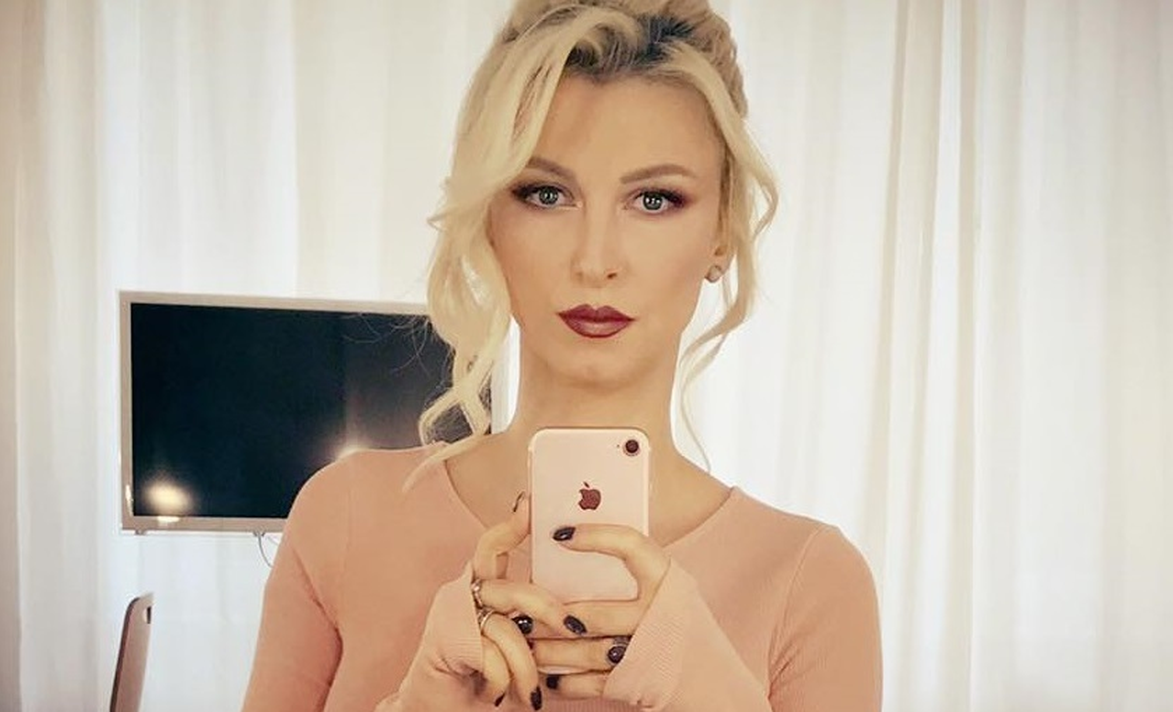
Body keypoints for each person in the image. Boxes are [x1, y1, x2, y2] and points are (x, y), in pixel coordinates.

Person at [242, 1, 881, 710]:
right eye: (546, 194)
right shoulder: (345, 515)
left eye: (655, 200)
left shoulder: (810, 581)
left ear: (722, 232)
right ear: (490, 219)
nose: (595, 259)